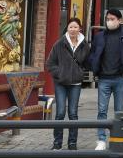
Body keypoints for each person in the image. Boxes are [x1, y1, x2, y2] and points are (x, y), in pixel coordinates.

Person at [89, 8, 123, 150]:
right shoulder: (100, 36)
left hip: (120, 78)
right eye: (108, 19)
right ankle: (101, 140)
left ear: (119, 20)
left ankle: (117, 138)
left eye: (112, 19)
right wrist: (94, 68)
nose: (109, 21)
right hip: (103, 78)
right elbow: (93, 54)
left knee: (119, 112)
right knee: (102, 111)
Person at [46, 16, 90, 151]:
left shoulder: (84, 45)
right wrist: (59, 73)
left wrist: (80, 73)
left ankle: (72, 143)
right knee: (60, 113)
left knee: (73, 113)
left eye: (75, 27)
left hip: (76, 83)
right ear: (67, 28)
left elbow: (87, 63)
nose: (73, 29)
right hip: (61, 83)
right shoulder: (59, 43)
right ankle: (57, 143)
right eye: (71, 27)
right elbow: (50, 63)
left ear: (80, 29)